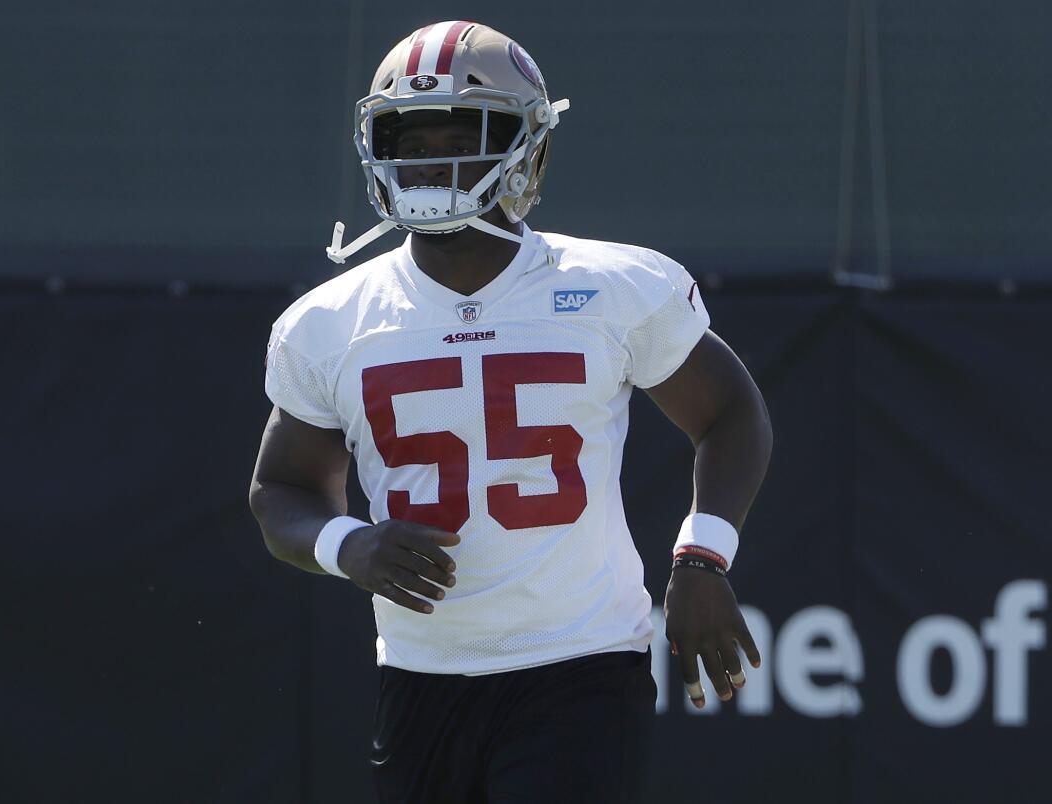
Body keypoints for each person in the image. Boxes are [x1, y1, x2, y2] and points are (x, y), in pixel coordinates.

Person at [250, 20, 772, 804]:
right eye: (409, 137)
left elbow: (731, 412)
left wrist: (703, 556)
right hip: (421, 673)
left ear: (529, 147)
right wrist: (347, 546)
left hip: (582, 664)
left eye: (462, 132)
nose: (433, 159)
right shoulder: (330, 321)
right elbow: (279, 491)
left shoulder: (611, 287)